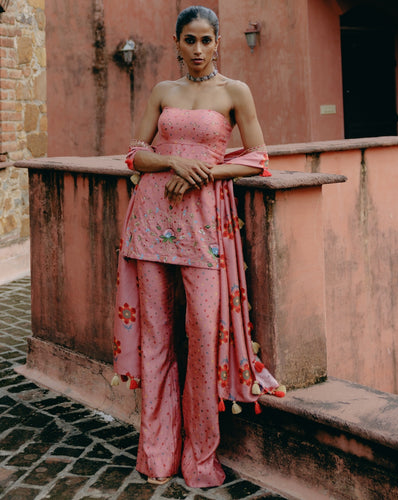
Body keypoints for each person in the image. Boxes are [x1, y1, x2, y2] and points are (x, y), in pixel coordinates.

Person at [112, 5, 285, 488]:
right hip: (151, 222)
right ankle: (157, 455)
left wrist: (204, 172)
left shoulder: (235, 92)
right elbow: (134, 154)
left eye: (206, 40)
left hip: (203, 228)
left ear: (217, 42)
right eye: (189, 40)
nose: (198, 49)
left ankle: (201, 459)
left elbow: (258, 158)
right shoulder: (163, 91)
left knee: (204, 337)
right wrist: (172, 164)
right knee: (156, 339)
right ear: (177, 43)